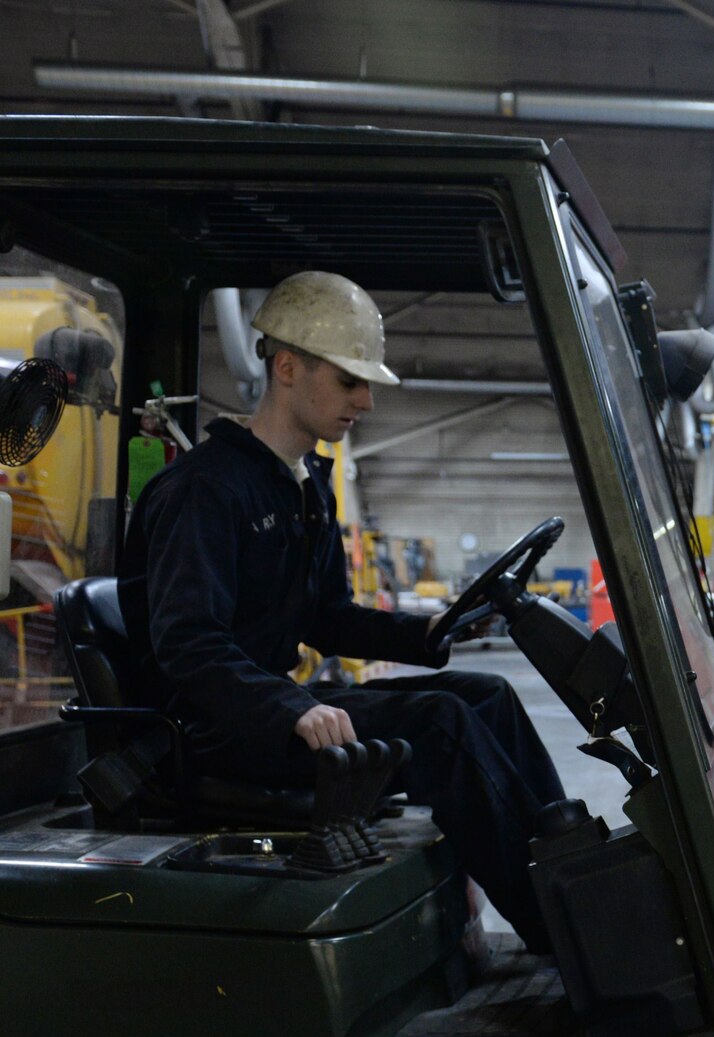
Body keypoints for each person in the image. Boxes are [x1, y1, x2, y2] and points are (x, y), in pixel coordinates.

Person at [117, 271, 565, 949]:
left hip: (265, 711)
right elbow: (189, 644)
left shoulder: (301, 487)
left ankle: (572, 864)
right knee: (441, 725)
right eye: (351, 381)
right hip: (218, 727)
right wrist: (289, 706)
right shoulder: (206, 489)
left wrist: (427, 631)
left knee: (488, 695)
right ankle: (565, 934)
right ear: (288, 367)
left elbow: (324, 616)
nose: (368, 401)